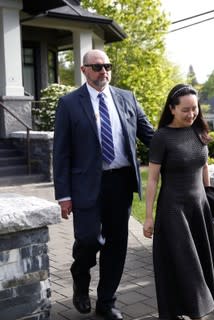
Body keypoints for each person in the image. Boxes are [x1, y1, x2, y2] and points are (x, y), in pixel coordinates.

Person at [53, 49, 154, 320]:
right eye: (97, 67)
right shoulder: (69, 103)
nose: (103, 71)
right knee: (87, 239)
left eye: (107, 66)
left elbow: (150, 135)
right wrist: (63, 194)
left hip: (120, 182)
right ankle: (79, 276)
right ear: (84, 70)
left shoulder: (127, 98)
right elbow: (60, 152)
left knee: (117, 244)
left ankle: (106, 301)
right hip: (85, 185)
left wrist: (185, 141)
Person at [143, 84, 214, 320]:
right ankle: (195, 311)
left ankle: (191, 309)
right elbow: (153, 180)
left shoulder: (198, 130)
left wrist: (209, 196)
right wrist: (148, 216)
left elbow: (204, 165)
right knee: (186, 262)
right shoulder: (162, 137)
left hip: (199, 207)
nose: (191, 114)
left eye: (194, 109)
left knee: (199, 260)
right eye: (185, 110)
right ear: (172, 109)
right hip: (174, 210)